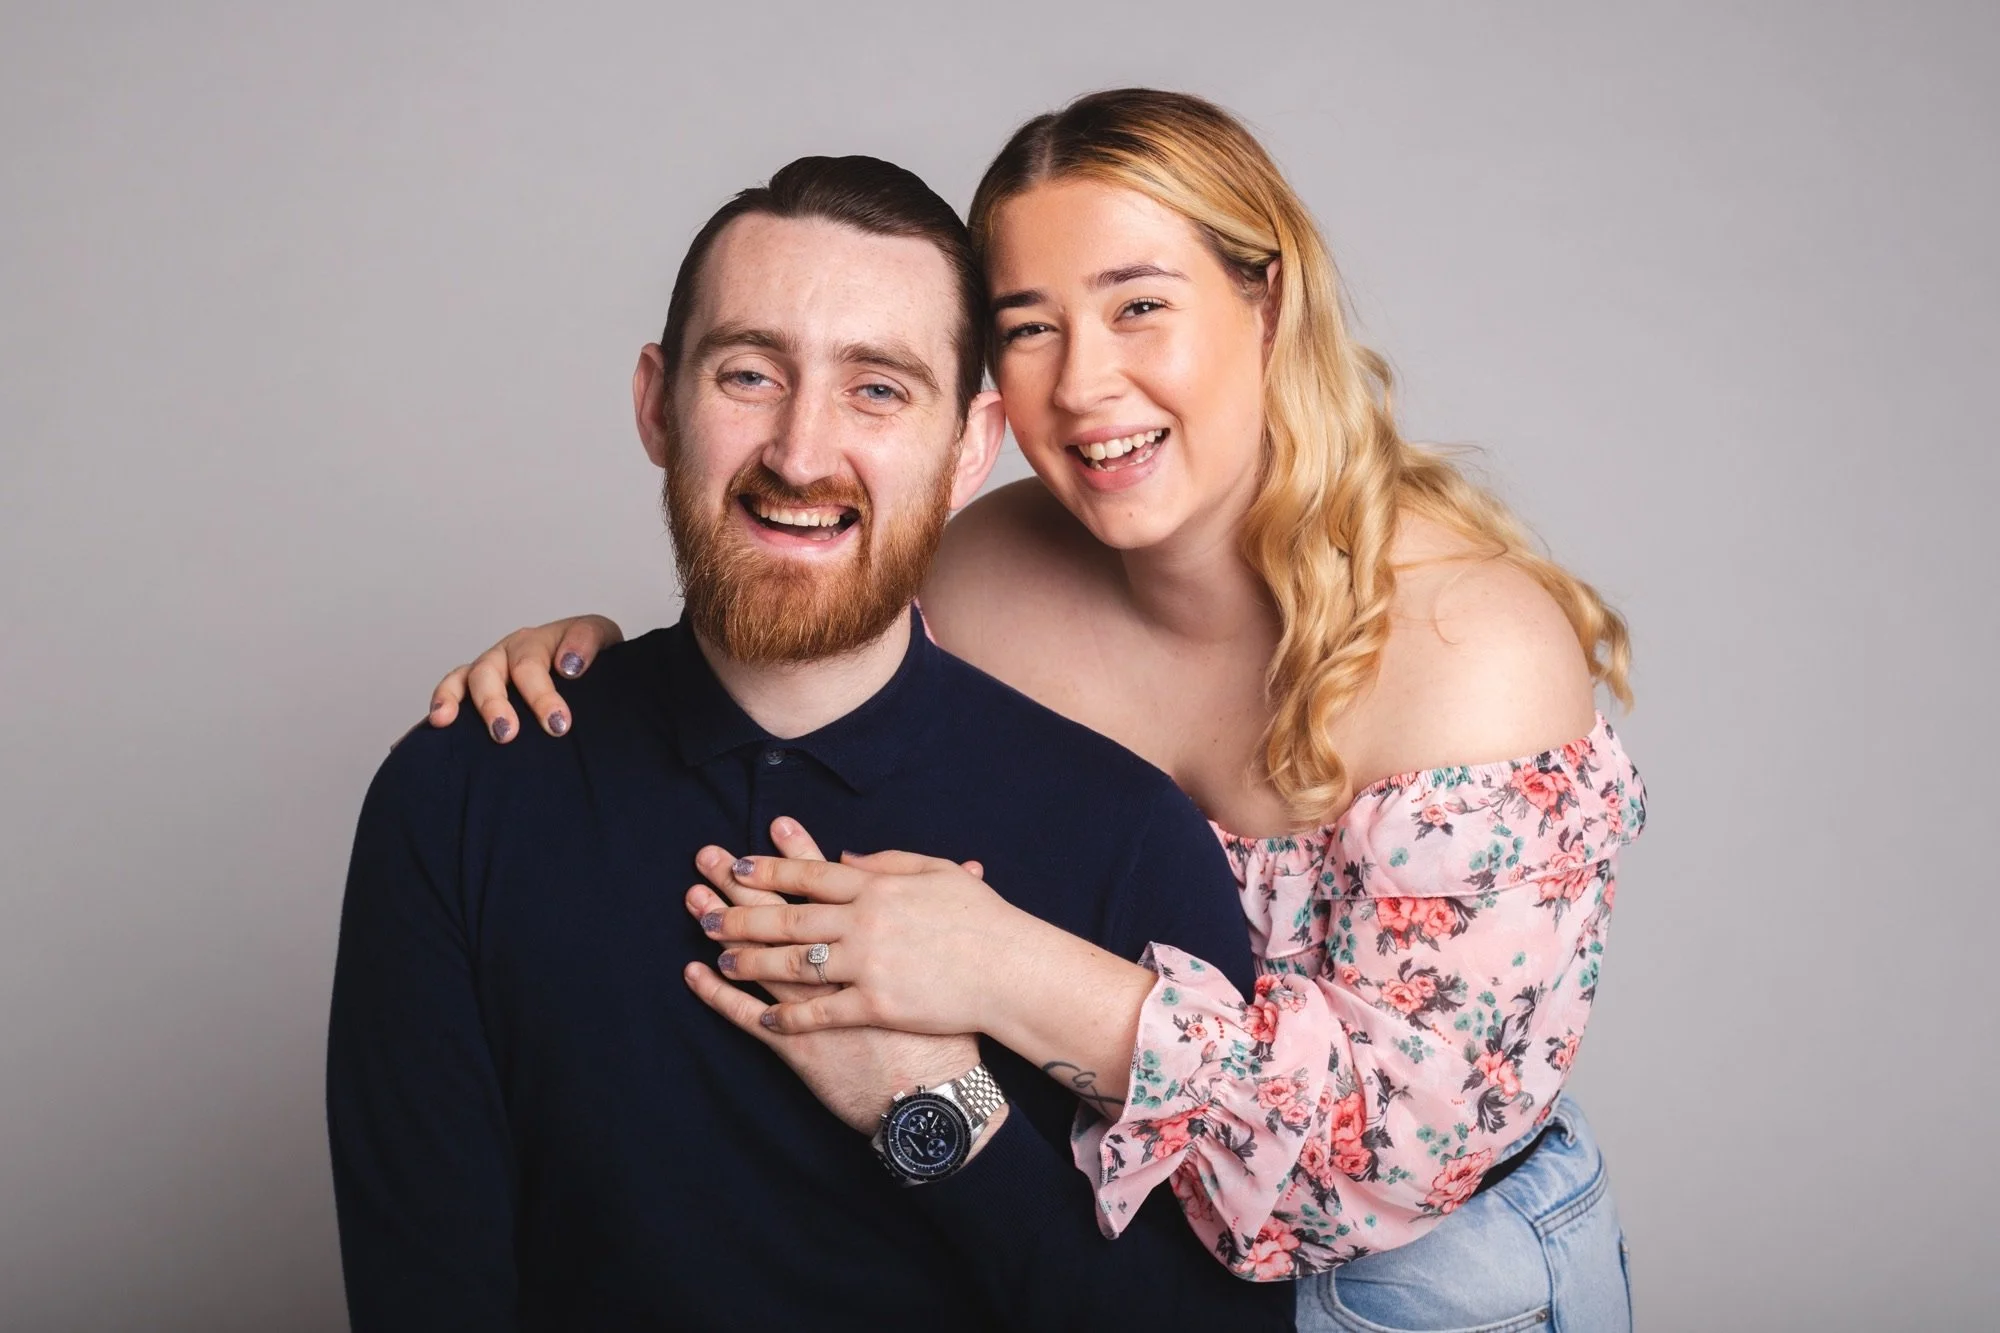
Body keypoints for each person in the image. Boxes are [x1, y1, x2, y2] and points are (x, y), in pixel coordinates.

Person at [430, 90, 1647, 1332]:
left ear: (1266, 302)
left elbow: (1368, 1172)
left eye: (1138, 308)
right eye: (1027, 326)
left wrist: (1001, 967)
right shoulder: (980, 567)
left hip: (1416, 1274)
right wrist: (605, 669)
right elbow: (788, 659)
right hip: (1092, 1258)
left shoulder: (1469, 648)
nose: (1082, 384)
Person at [327, 152, 1294, 1332]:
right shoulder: (462, 792)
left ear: (965, 446)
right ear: (655, 403)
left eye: (877, 389)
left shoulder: (1121, 831)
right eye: (748, 373)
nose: (797, 451)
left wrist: (932, 1118)